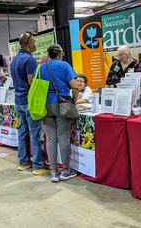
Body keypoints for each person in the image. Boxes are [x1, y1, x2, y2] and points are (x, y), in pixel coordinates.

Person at [11, 31, 48, 175]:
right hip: (29, 102)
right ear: (27, 44)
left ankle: (24, 162)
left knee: (22, 133)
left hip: (18, 100)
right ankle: (38, 165)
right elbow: (32, 82)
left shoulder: (15, 59)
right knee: (36, 133)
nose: (35, 44)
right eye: (33, 42)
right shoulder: (29, 59)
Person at [40, 44, 79, 182]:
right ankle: (66, 171)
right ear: (60, 53)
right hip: (62, 104)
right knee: (63, 138)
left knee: (50, 139)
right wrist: (73, 101)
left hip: (45, 105)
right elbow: (75, 86)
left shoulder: (41, 67)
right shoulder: (64, 65)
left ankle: (53, 172)